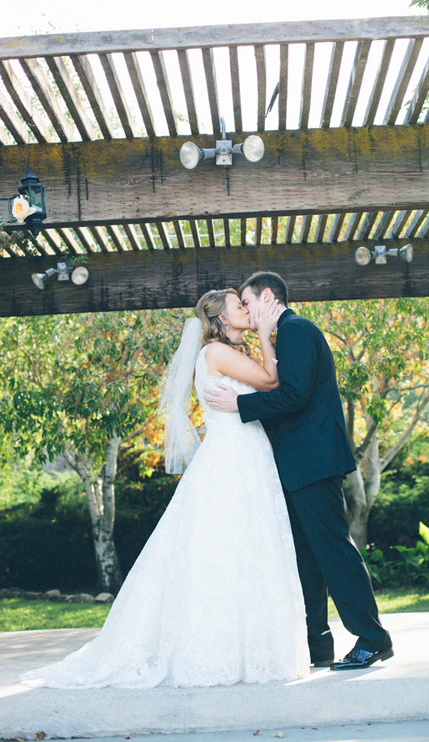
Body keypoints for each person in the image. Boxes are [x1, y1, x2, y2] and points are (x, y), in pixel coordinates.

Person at [20, 288, 310, 689]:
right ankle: (215, 649)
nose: (246, 309)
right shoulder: (216, 353)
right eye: (239, 306)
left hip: (244, 456)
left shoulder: (228, 353)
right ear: (222, 320)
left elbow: (267, 386)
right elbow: (273, 380)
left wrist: (259, 338)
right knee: (228, 548)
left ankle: (247, 648)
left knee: (244, 548)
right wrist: (265, 330)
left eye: (246, 305)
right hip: (233, 460)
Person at [204, 272, 393, 670]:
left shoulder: (296, 330)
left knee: (335, 551)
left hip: (314, 464)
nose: (248, 311)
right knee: (307, 561)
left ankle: (373, 638)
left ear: (267, 296)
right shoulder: (280, 336)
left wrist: (240, 407)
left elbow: (294, 395)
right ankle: (317, 645)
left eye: (248, 302)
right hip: (296, 467)